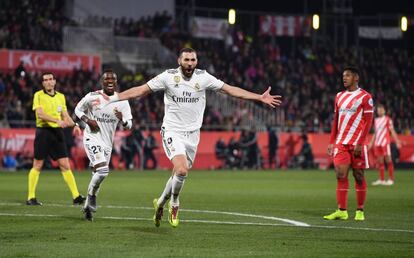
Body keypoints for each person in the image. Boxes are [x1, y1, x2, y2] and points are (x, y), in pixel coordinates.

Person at [98, 47, 282, 228]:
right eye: (186, 60)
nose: (190, 63)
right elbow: (142, 90)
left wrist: (258, 97)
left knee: (178, 173)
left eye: (193, 60)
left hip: (193, 134)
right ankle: (175, 203)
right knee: (182, 170)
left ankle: (161, 202)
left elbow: (230, 89)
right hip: (172, 131)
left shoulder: (203, 78)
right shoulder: (168, 77)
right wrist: (116, 97)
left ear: (196, 62)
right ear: (179, 61)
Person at [74, 70, 132, 221]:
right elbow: (77, 110)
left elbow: (129, 124)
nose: (110, 81)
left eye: (113, 79)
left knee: (98, 175)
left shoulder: (123, 101)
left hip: (107, 143)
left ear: (116, 82)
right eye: (107, 79)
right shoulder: (92, 96)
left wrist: (123, 120)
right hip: (92, 138)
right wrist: (88, 121)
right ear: (102, 82)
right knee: (103, 170)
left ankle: (87, 206)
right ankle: (92, 197)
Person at [27, 72, 85, 206]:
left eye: (51, 79)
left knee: (65, 164)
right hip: (44, 132)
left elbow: (65, 115)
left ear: (54, 82)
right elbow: (40, 114)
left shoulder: (61, 97)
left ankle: (76, 196)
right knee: (38, 164)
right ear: (43, 83)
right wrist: (56, 120)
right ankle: (31, 197)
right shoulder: (38, 95)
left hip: (57, 133)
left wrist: (74, 125)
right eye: (45, 80)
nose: (48, 82)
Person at [324, 67, 373, 221]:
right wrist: (332, 141)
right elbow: (335, 121)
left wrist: (360, 143)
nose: (344, 78)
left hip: (357, 143)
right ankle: (342, 210)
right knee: (340, 174)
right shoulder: (339, 96)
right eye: (343, 76)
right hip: (341, 143)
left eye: (348, 75)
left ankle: (360, 210)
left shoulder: (365, 97)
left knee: (358, 175)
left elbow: (368, 122)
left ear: (356, 77)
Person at [368, 104, 401, 186]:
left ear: (384, 111)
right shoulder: (376, 120)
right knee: (380, 161)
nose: (380, 111)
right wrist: (371, 143)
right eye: (378, 110)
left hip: (385, 143)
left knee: (388, 160)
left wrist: (397, 141)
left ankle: (391, 179)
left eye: (381, 110)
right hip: (377, 143)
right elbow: (375, 133)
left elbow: (392, 131)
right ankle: (381, 179)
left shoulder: (388, 119)